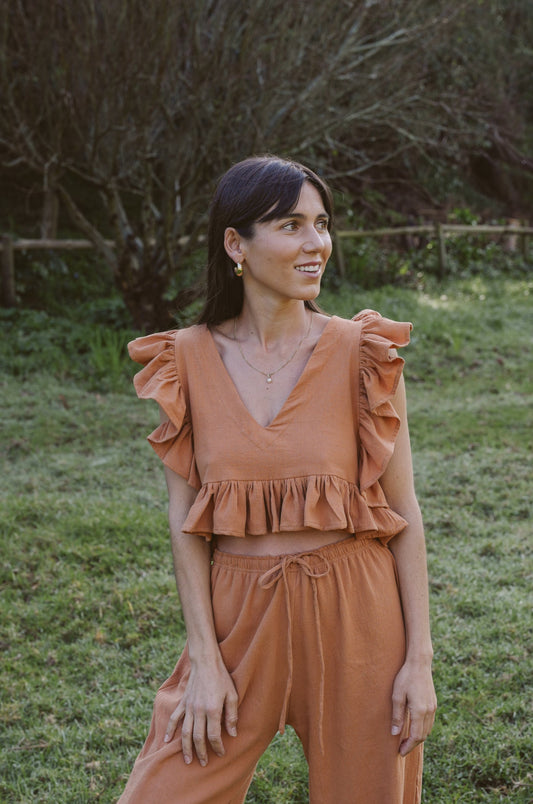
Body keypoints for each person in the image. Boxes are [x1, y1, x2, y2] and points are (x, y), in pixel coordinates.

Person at [119, 155, 436, 804]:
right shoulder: (187, 360)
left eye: (320, 224)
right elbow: (186, 529)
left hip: (356, 616)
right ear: (235, 243)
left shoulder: (361, 354)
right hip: (239, 623)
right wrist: (204, 660)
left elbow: (404, 514)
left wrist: (418, 663)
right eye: (290, 225)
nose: (315, 242)